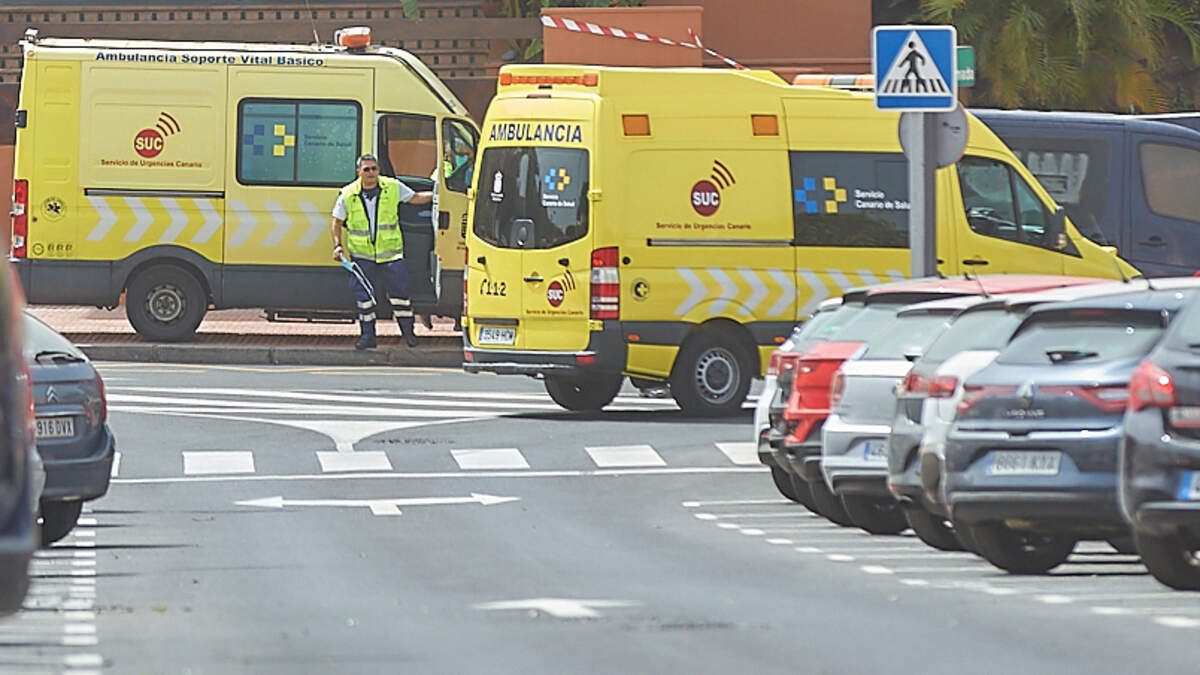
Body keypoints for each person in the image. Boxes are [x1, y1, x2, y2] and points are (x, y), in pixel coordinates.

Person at [330, 154, 432, 349]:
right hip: (362, 256)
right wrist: (337, 245)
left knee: (401, 297)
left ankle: (409, 334)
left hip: (391, 254)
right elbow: (337, 222)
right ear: (358, 172)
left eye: (374, 168)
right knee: (364, 299)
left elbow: (415, 198)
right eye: (366, 169)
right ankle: (368, 337)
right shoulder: (348, 194)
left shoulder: (392, 186)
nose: (371, 173)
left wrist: (438, 195)